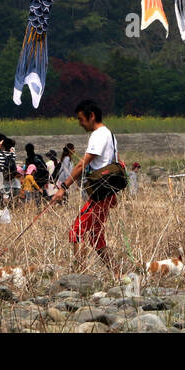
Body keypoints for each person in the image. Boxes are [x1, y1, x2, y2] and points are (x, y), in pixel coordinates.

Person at [51, 101, 124, 275]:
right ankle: (117, 275)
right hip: (107, 193)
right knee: (96, 238)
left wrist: (63, 187)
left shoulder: (98, 135)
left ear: (92, 116)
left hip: (99, 194)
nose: (80, 124)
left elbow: (81, 165)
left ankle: (80, 276)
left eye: (81, 119)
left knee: (76, 232)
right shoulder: (110, 135)